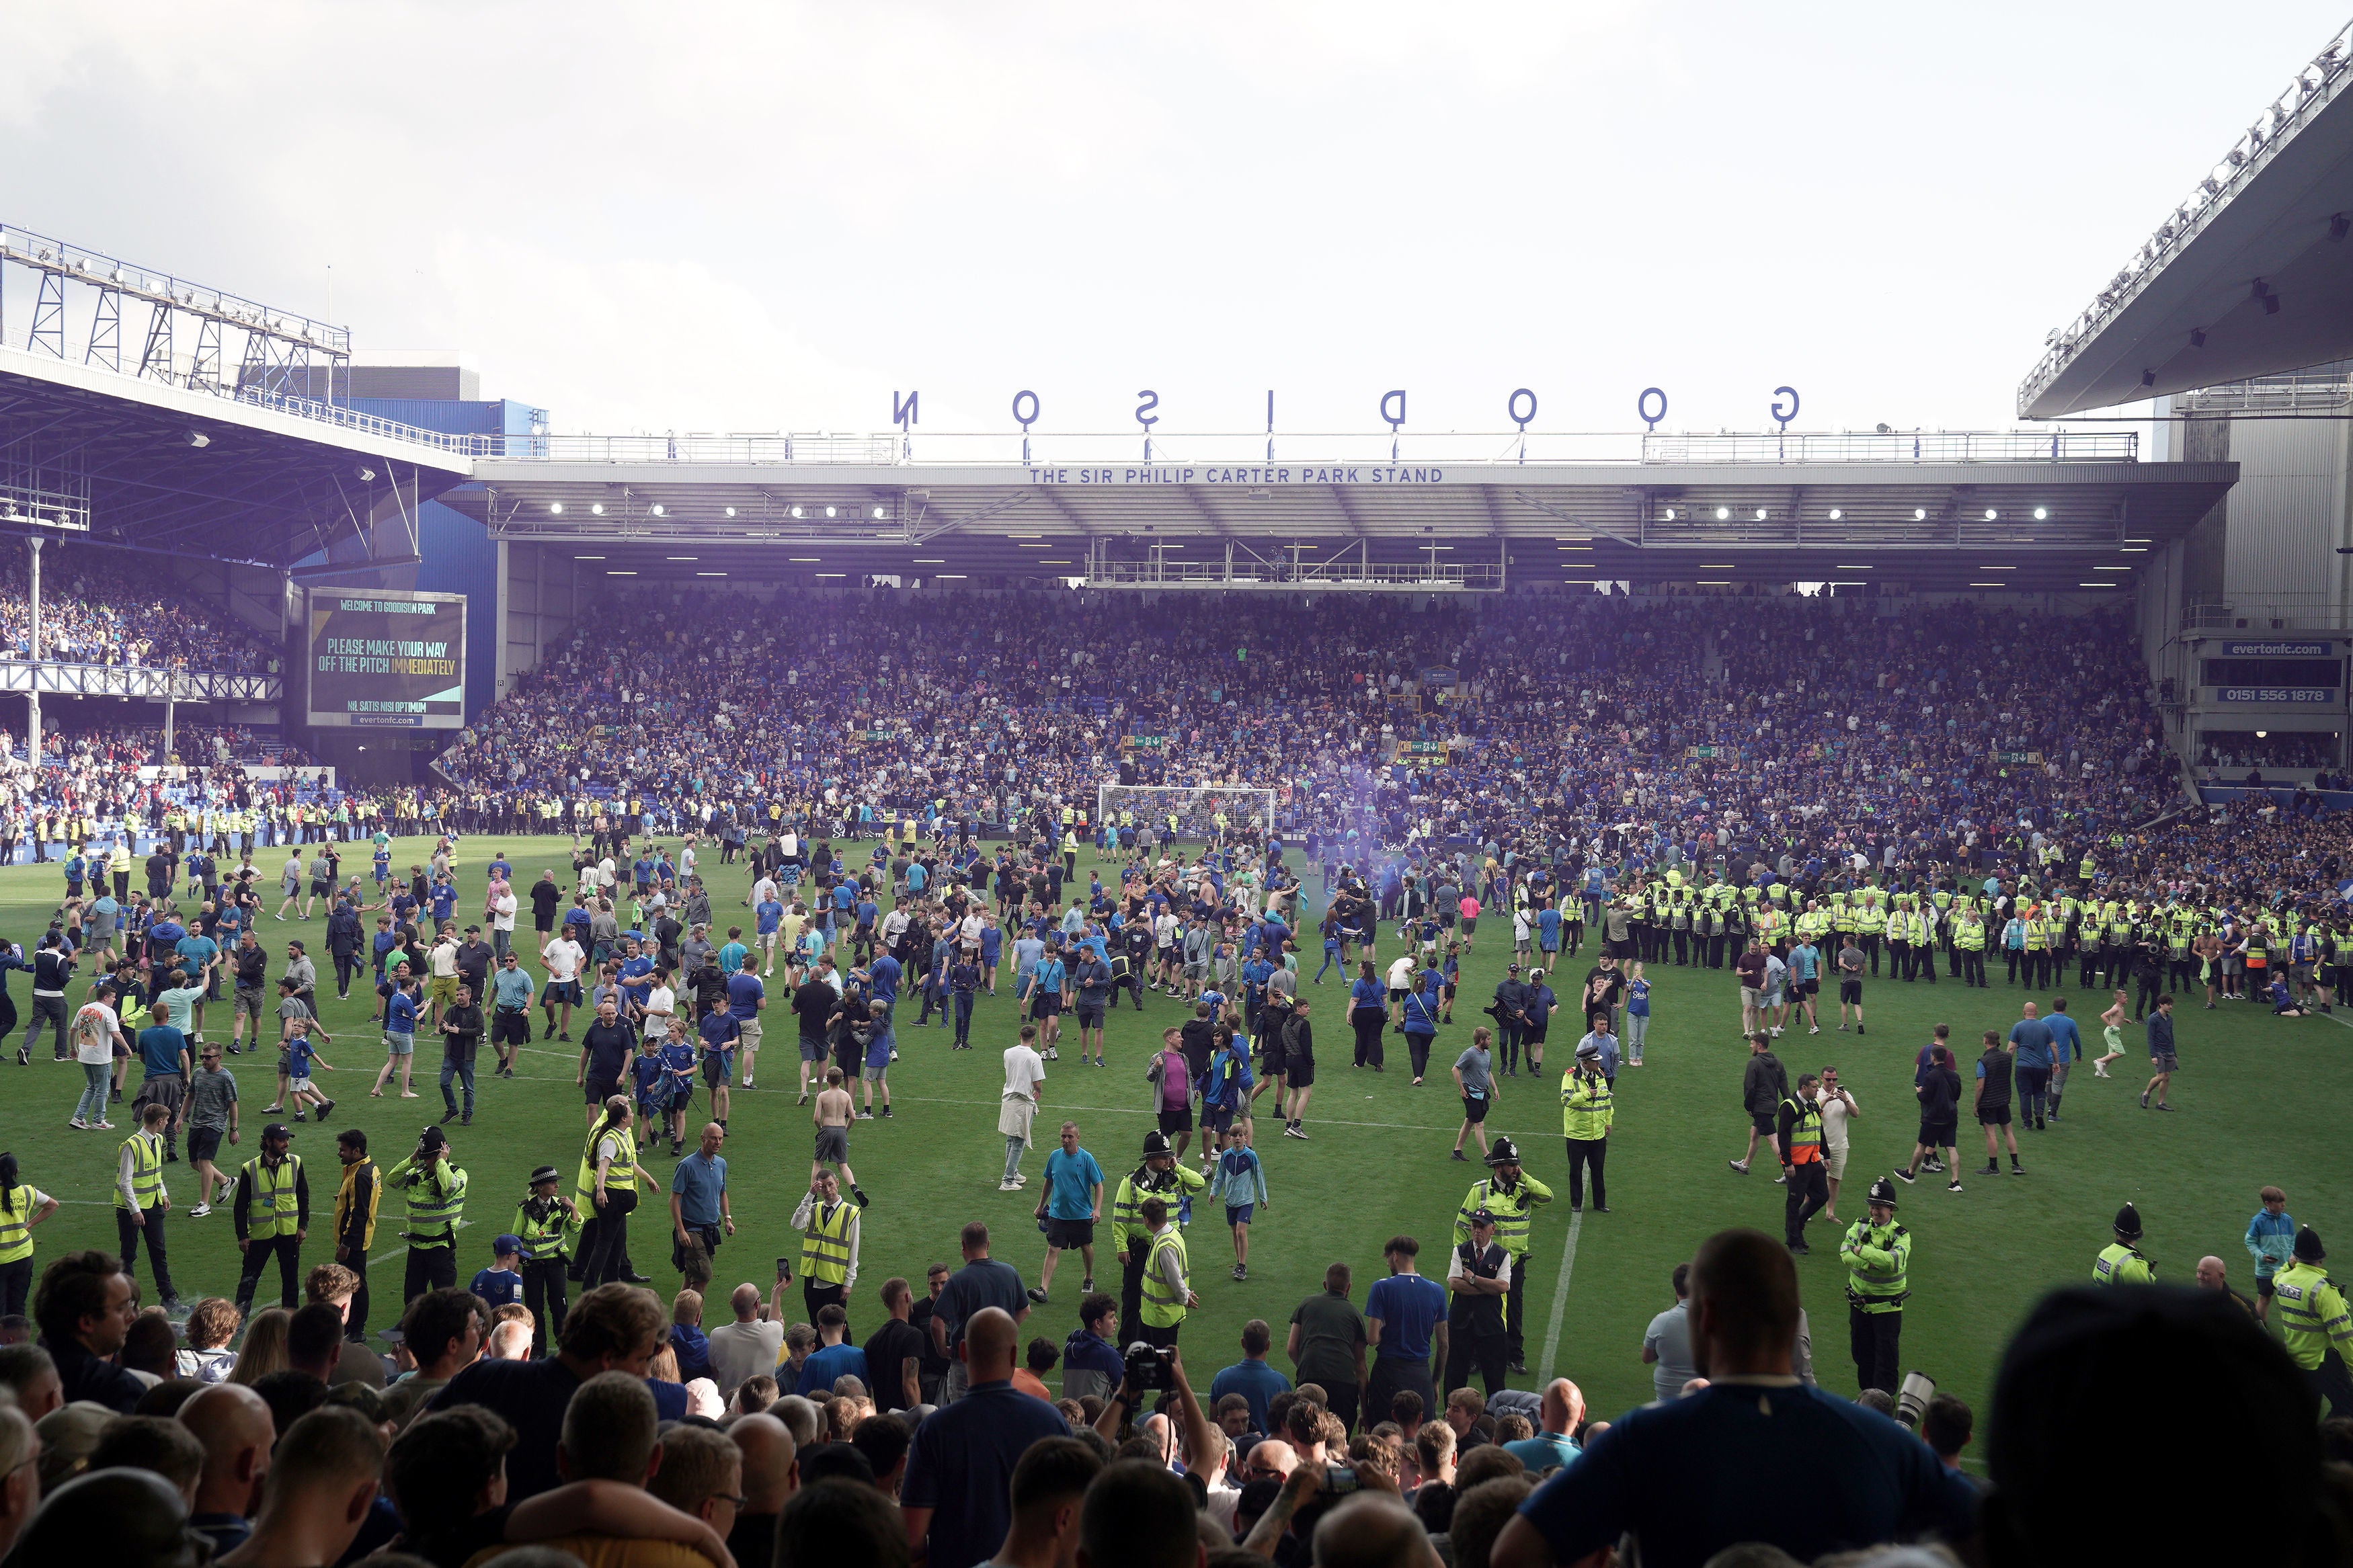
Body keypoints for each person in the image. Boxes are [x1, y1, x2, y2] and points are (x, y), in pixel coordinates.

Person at [1491, 1229, 1977, 1568]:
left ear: (1705, 1320)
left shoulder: (1645, 1438)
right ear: (1793, 1326)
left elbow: (1512, 1551)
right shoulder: (1876, 1438)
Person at [901, 1305, 1072, 1568]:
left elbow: (912, 1537)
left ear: (962, 1352)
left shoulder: (935, 1430)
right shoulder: (1051, 1421)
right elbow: (1069, 1519)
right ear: (1014, 1355)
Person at [1454, 1136, 1552, 1374]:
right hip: (1484, 1261)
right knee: (1479, 1310)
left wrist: (1525, 1177)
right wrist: (1463, 1258)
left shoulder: (1524, 1190)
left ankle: (1514, 1356)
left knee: (1514, 1309)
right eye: (1511, 1164)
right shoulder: (1479, 1191)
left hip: (1515, 1261)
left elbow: (1547, 1196)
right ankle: (1475, 1356)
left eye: (1516, 1164)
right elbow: (1462, 1225)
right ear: (1498, 1167)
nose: (1515, 1168)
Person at [32, 1249, 146, 1412]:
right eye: (121, 1308)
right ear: (87, 1322)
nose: (131, 1318)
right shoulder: (119, 1390)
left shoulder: (18, 1376)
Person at [2272, 1225, 2353, 1418]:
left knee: (2306, 1413)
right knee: (2348, 1409)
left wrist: (2289, 1264)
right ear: (2321, 1257)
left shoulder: (2283, 1281)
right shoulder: (2324, 1290)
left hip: (2296, 1358)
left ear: (2296, 1257)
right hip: (2324, 1362)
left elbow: (2276, 1277)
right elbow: (2343, 1334)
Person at [1839, 1177, 1910, 1395]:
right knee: (1861, 1355)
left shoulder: (1901, 1235)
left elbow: (1893, 1263)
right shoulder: (1860, 1226)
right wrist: (1873, 1261)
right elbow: (1844, 1253)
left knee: (1886, 1361)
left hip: (1887, 1310)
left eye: (1878, 1207)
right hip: (1859, 1306)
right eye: (1871, 1206)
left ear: (1890, 1209)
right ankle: (1866, 1397)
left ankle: (1884, 1403)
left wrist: (1862, 1251)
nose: (1873, 1212)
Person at [1365, 1234, 1446, 1426]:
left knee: (1384, 1437)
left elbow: (1371, 1338)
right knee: (1422, 1438)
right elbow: (1444, 1345)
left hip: (1388, 1374)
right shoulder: (1437, 1291)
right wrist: (1434, 1381)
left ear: (1394, 1257)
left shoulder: (1381, 1288)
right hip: (1421, 1375)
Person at [114, 1100, 186, 1313]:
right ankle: (128, 1301)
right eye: (166, 1121)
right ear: (160, 1121)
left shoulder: (157, 1139)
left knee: (159, 1252)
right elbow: (124, 1182)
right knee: (128, 1255)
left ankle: (169, 1297)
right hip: (130, 1210)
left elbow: (155, 1173)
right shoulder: (131, 1145)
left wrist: (163, 1194)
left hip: (153, 1205)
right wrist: (135, 1210)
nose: (167, 1124)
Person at [231, 1122, 308, 1318]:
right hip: (259, 1234)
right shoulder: (250, 1168)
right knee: (248, 1280)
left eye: (287, 1140)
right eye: (282, 1140)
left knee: (291, 1280)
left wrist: (302, 1226)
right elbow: (240, 1206)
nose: (286, 1144)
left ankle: (290, 1321)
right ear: (268, 1141)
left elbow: (303, 1196)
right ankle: (238, 1324)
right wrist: (242, 1236)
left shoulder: (296, 1163)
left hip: (289, 1232)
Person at [385, 1123, 469, 1302]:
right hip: (416, 1248)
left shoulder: (458, 1174)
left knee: (444, 1302)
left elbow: (448, 1187)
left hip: (441, 1249)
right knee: (412, 1299)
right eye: (425, 1157)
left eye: (430, 1157)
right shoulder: (417, 1172)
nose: (427, 1161)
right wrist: (413, 1158)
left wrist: (440, 1162)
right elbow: (392, 1180)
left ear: (442, 1152)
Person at [514, 1163, 583, 1353]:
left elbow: (575, 1229)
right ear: (540, 1187)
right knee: (535, 1309)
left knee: (560, 1307)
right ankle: (537, 1350)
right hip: (532, 1266)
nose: (557, 1186)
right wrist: (516, 1267)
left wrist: (574, 1208)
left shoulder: (563, 1207)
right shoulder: (525, 1210)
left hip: (555, 1265)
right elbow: (516, 1239)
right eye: (553, 1183)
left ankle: (565, 1348)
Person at [1033, 1121, 1105, 1305]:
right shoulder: (1054, 1156)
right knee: (1053, 1248)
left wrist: (1096, 1209)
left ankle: (1088, 1277)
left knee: (1085, 1246)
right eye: (1063, 1136)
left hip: (1081, 1215)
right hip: (1058, 1215)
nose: (1066, 1140)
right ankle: (1043, 1289)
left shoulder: (1087, 1158)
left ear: (1077, 1138)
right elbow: (1048, 1181)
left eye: (1070, 1137)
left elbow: (1098, 1185)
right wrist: (1041, 1205)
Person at [1444, 1209, 1511, 1399]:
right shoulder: (1460, 1250)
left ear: (1493, 1229)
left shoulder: (1503, 1255)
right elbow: (1454, 1283)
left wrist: (1473, 1279)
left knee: (1495, 1379)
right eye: (1474, 1227)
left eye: (1481, 1227)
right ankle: (1451, 1415)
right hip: (1460, 1324)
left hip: (1490, 1326)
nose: (1477, 1231)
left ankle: (1495, 1419)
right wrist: (1487, 1289)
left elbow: (1503, 1286)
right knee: (1454, 1376)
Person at [1894, 1043, 1964, 1193]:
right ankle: (1955, 1181)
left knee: (1922, 1145)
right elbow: (1957, 1095)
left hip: (1933, 1117)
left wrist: (1919, 1092)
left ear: (1933, 1057)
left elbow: (1925, 1098)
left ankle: (1910, 1173)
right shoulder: (1954, 1076)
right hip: (1950, 1116)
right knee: (1951, 1148)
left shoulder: (1930, 1076)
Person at [0, 1154, 59, 1318]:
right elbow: (53, 1205)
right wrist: (30, 1224)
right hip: (23, 1257)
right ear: (16, 1172)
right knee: (18, 1307)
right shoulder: (28, 1192)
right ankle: (18, 1341)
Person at [1209, 1119, 1269, 1282]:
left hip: (1246, 1201)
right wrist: (1214, 1192)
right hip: (1230, 1201)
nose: (1237, 1138)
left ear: (1246, 1137)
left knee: (1241, 1232)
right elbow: (1220, 1175)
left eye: (1240, 1135)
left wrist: (1263, 1197)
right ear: (1229, 1139)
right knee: (1234, 1233)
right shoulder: (1226, 1156)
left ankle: (1242, 1265)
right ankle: (1239, 1263)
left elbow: (1259, 1176)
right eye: (1234, 1135)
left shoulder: (1251, 1156)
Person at [1560, 1039, 1611, 1214]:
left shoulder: (1601, 1076)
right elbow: (1566, 1100)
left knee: (1598, 1170)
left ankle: (1600, 1203)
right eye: (1595, 1061)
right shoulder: (1569, 1077)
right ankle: (1576, 1203)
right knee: (1576, 1170)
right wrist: (1586, 1094)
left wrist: (1608, 1121)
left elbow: (1606, 1101)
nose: (1598, 1063)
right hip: (1576, 1134)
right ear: (1585, 1063)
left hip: (1597, 1134)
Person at [1726, 1032, 1786, 1175]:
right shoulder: (1778, 1063)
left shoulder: (1754, 1063)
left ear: (1759, 1046)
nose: (1750, 1046)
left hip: (1760, 1108)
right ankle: (1745, 1165)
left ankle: (1788, 1170)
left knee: (1773, 1140)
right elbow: (1784, 1088)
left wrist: (1749, 1106)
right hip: (1771, 1106)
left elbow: (1749, 1087)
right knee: (1754, 1133)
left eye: (1752, 1044)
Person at [1640, 1263, 1696, 1404]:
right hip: (1705, 1401)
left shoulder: (1662, 1321)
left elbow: (1647, 1358)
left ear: (1676, 1288)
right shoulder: (1716, 1322)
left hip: (1667, 1404)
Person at [2246, 1185, 2297, 1323]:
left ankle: (2292, 1329)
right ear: (2268, 1203)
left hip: (2286, 1269)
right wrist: (2261, 1256)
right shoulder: (2258, 1221)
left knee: (2290, 1301)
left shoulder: (2288, 1220)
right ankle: (2260, 1331)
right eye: (2279, 1202)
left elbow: (2293, 1239)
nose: (2283, 1205)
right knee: (2264, 1299)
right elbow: (2250, 1241)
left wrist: (2292, 1256)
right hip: (2265, 1270)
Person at [1451, 1024, 1498, 1161]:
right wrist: (1462, 1089)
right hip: (1471, 1094)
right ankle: (1487, 1155)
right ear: (1481, 1040)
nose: (1491, 1041)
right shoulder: (1469, 1054)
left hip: (1483, 1094)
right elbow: (1455, 1069)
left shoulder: (1487, 1054)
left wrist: (1495, 1088)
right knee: (1479, 1124)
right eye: (1489, 1039)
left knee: (1469, 1122)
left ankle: (1457, 1151)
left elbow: (1487, 1072)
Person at [2092, 1203, 2157, 1286]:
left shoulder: (2104, 1254)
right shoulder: (2133, 1264)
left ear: (2116, 1232)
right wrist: (2143, 1272)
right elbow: (2148, 1295)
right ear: (2137, 1236)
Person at [2141, 992, 2178, 1110]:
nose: (2171, 1007)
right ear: (2161, 1005)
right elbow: (2150, 1038)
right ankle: (2146, 1094)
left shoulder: (2169, 1019)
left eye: (2171, 1004)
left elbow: (2171, 1036)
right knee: (2161, 1076)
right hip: (2159, 1052)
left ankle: (2161, 1103)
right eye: (2168, 1004)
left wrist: (2174, 1054)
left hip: (2169, 1051)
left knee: (2167, 1077)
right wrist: (2153, 1055)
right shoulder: (2153, 1019)